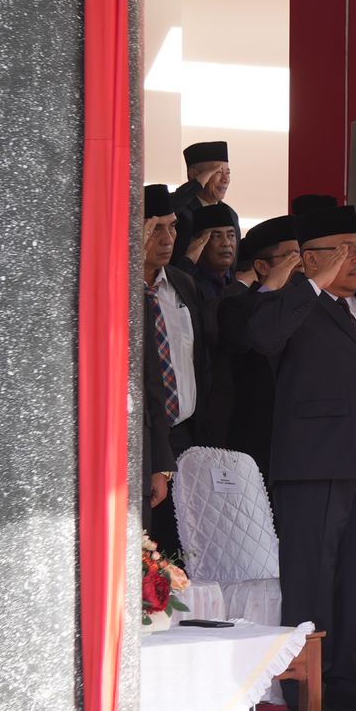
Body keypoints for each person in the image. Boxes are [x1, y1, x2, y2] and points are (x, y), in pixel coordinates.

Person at [244, 202, 356, 711]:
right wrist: (312, 284)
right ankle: (307, 687)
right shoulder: (292, 303)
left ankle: (345, 682)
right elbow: (261, 338)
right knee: (311, 582)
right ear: (310, 257)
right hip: (312, 466)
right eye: (342, 251)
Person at [142, 185, 209, 557]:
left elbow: (200, 362)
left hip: (184, 436)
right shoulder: (118, 289)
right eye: (156, 229)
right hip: (141, 440)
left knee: (182, 555)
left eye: (172, 227)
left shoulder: (183, 286)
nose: (168, 239)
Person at [217, 215, 299, 480]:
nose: (299, 265)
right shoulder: (236, 305)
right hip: (256, 439)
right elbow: (242, 338)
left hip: (301, 441)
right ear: (262, 265)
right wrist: (271, 287)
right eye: (291, 257)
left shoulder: (308, 306)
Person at [176, 202, 240, 300]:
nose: (226, 243)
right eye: (217, 236)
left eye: (231, 235)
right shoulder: (186, 281)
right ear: (197, 242)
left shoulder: (239, 282)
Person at [170, 140, 230, 219]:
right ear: (194, 174)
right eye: (218, 172)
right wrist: (196, 183)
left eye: (228, 173)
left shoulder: (230, 214)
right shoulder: (178, 209)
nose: (225, 180)